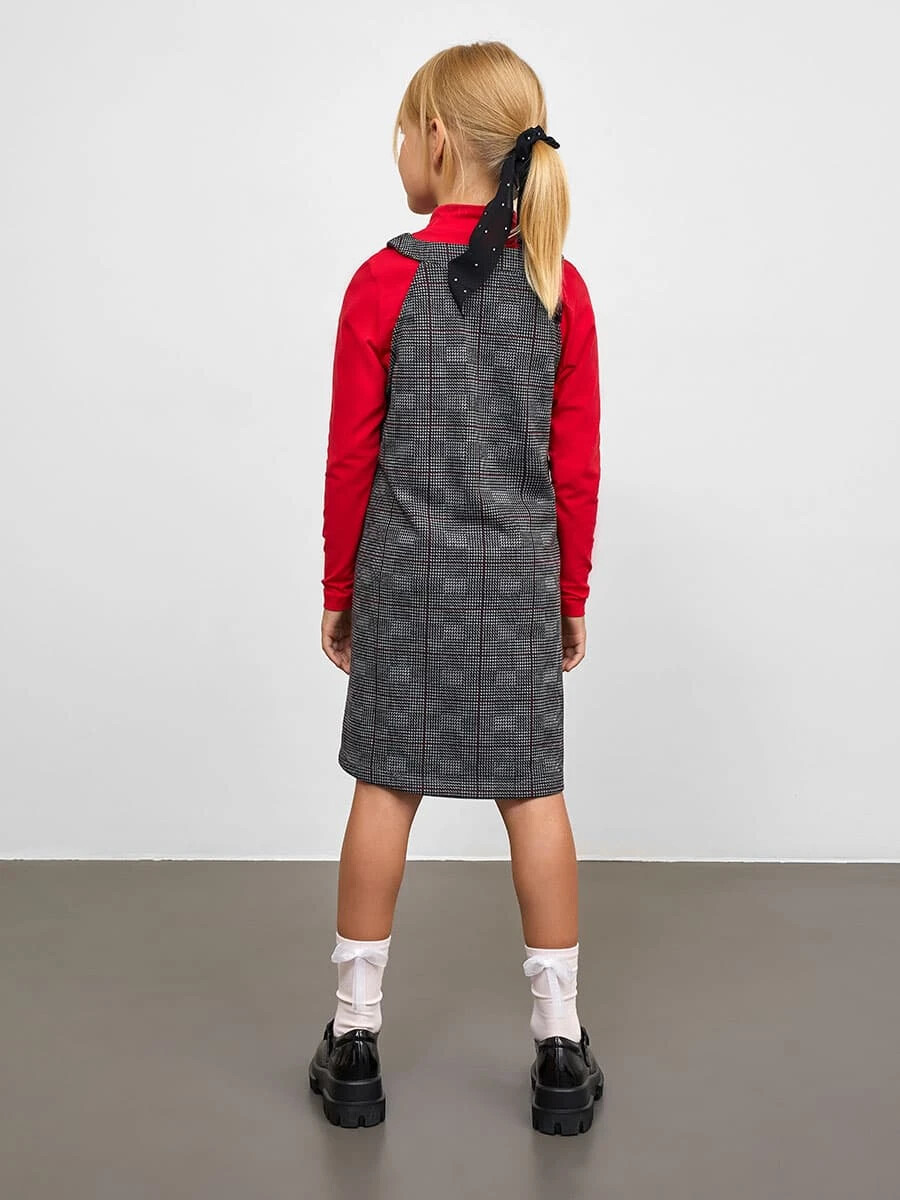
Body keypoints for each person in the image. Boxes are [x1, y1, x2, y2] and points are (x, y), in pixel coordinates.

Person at [308, 42, 603, 1135]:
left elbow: (352, 455)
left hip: (404, 580)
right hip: (516, 586)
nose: (398, 149)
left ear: (437, 139)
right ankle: (560, 1050)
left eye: (402, 131)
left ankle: (354, 1042)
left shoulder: (381, 283)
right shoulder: (558, 286)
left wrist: (340, 584)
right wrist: (570, 593)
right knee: (536, 797)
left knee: (384, 790)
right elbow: (575, 468)